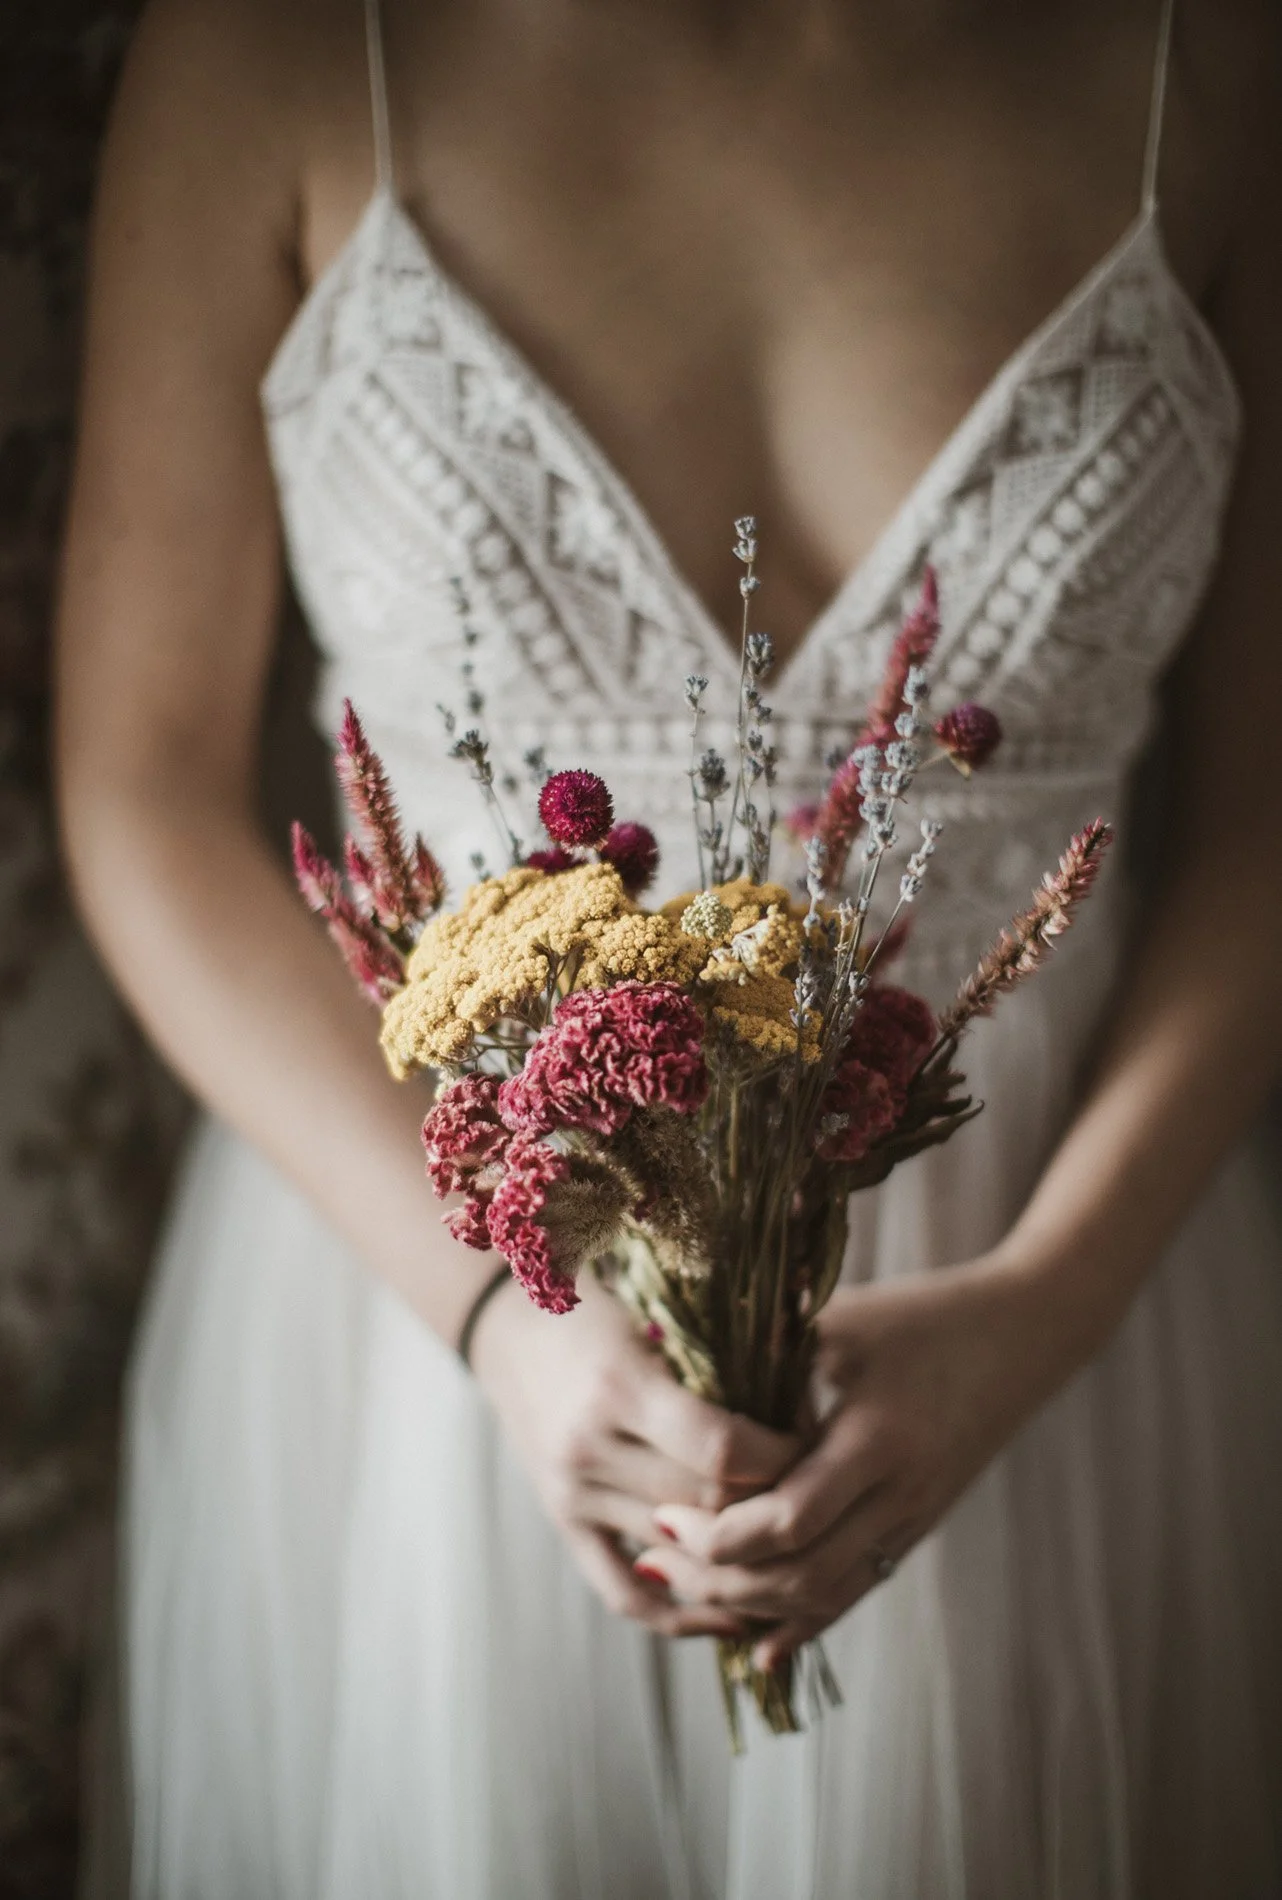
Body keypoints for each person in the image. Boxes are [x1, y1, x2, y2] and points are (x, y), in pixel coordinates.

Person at [56, 0, 1282, 1892]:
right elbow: (139, 791)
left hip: (1062, 1295)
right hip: (433, 1329)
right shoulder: (272, 48)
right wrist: (501, 1333)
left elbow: (1257, 831)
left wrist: (1041, 1310)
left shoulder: (1213, 64)